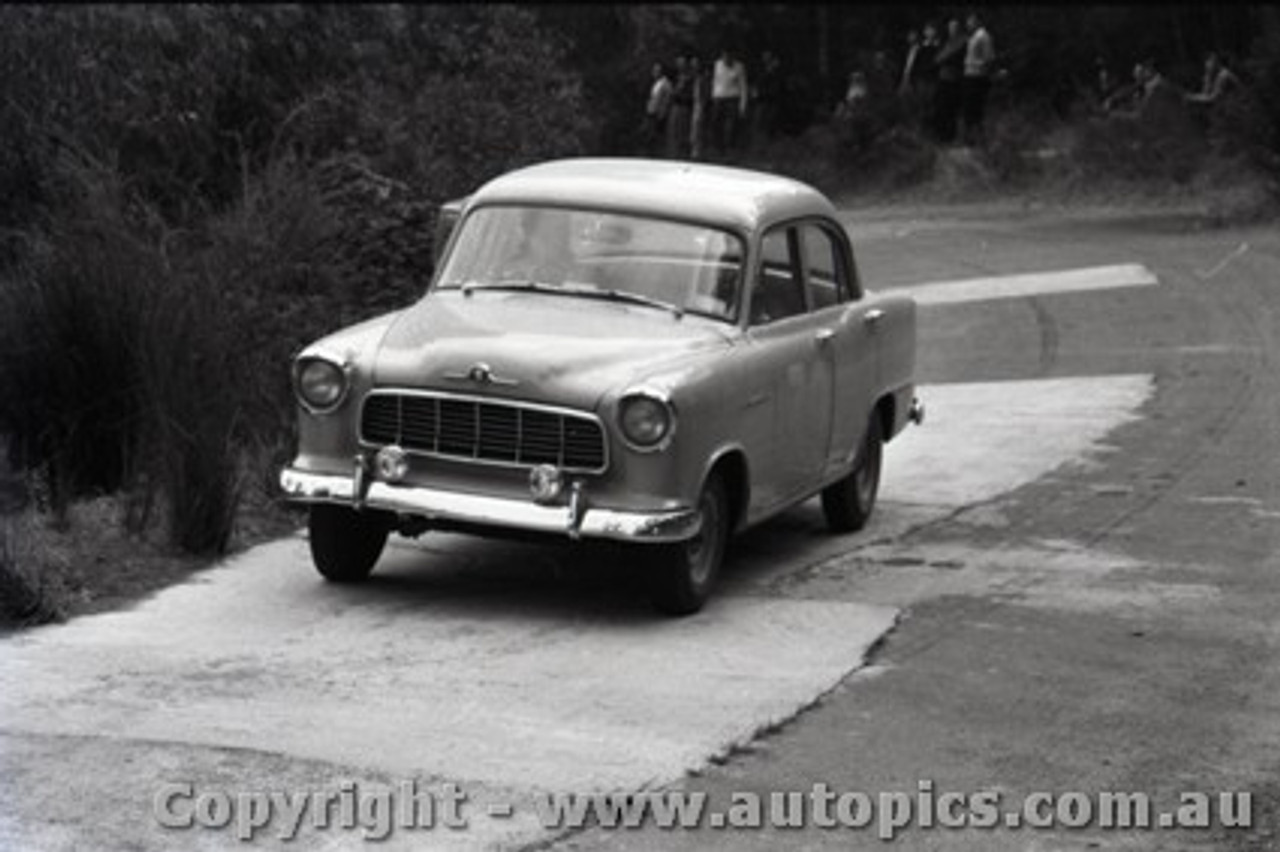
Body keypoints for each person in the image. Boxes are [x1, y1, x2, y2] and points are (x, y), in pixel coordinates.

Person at [961, 11, 995, 145]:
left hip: (978, 78)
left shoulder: (984, 36)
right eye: (968, 21)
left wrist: (972, 63)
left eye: (971, 21)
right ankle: (969, 140)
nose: (968, 24)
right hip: (969, 76)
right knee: (968, 110)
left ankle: (978, 141)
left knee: (976, 111)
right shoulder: (972, 37)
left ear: (978, 21)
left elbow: (989, 59)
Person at [932, 18, 966, 143]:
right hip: (943, 78)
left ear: (959, 28)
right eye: (950, 27)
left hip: (954, 80)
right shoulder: (947, 42)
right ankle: (942, 136)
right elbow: (936, 59)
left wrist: (944, 58)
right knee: (941, 109)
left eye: (955, 27)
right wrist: (943, 58)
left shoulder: (962, 41)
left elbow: (949, 58)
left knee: (951, 110)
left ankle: (950, 137)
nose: (952, 29)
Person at [711, 47, 749, 157]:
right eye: (724, 56)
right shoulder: (717, 65)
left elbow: (743, 87)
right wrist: (713, 96)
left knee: (731, 125)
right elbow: (715, 81)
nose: (726, 59)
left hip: (732, 98)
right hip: (718, 97)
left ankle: (730, 147)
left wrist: (743, 105)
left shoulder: (739, 67)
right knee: (716, 123)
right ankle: (718, 148)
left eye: (728, 57)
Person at [666, 56, 694, 159]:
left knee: (682, 132)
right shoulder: (676, 77)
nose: (679, 64)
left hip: (684, 106)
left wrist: (677, 90)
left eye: (682, 62)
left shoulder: (689, 77)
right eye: (678, 62)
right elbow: (672, 93)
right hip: (675, 106)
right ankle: (672, 154)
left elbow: (683, 93)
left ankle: (681, 155)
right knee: (673, 131)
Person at [644, 62, 673, 156]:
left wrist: (663, 113)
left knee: (656, 136)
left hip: (659, 113)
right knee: (650, 135)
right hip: (651, 112)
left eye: (657, 70)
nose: (654, 72)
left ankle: (657, 153)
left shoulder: (665, 84)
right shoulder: (656, 83)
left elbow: (666, 100)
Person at [689, 55, 710, 159]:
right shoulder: (695, 78)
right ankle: (694, 151)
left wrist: (702, 106)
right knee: (694, 129)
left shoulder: (703, 78)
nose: (693, 66)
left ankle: (698, 152)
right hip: (695, 104)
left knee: (698, 128)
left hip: (699, 105)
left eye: (695, 64)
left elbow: (704, 94)